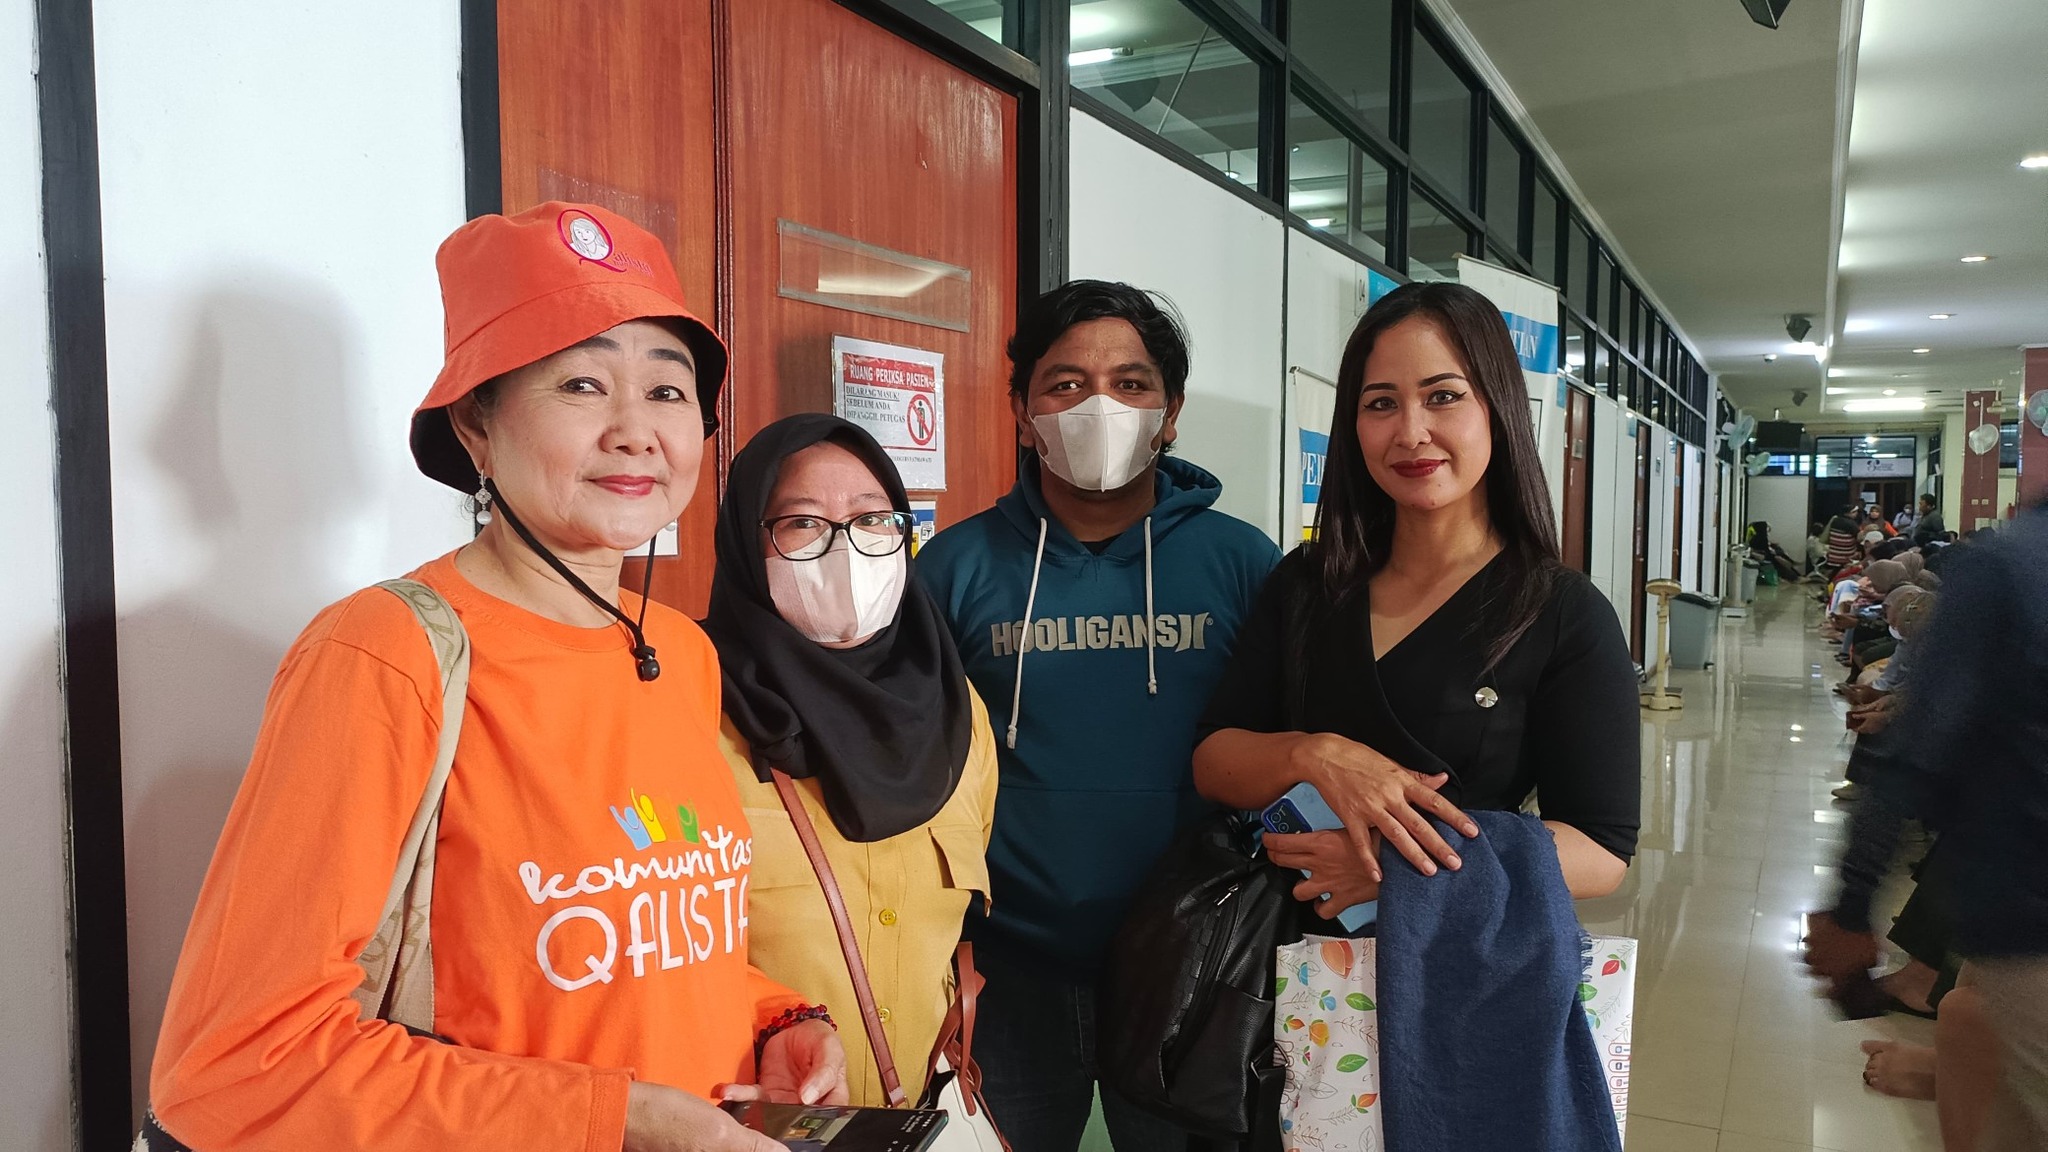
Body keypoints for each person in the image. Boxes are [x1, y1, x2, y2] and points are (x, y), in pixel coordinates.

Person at [144, 203, 844, 1151]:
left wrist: (773, 1018)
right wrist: (618, 1120)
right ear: (477, 425)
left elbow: (636, 949)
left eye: (667, 390)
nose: (637, 431)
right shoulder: (383, 655)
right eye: (582, 384)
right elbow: (236, 1064)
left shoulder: (681, 651)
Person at [917, 279, 1281, 1152]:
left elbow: (1284, 750)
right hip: (1007, 967)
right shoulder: (956, 567)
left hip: (1193, 962)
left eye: (1131, 383)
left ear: (1171, 413)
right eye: (1066, 384)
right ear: (1022, 412)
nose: (1099, 406)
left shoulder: (1242, 564)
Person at [1193, 281, 1641, 938]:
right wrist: (1315, 755)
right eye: (1381, 403)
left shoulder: (1562, 612)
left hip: (1454, 960)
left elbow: (1602, 851)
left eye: (1443, 396)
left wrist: (1400, 869)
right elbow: (1214, 761)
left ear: (1497, 407)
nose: (1410, 432)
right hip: (1279, 960)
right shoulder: (1309, 581)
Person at [702, 414, 999, 1107]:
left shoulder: (959, 712)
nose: (846, 550)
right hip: (750, 1119)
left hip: (919, 1111)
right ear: (748, 542)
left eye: (871, 520)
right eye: (803, 523)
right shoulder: (689, 704)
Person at [1807, 506, 2048, 1151]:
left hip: (2026, 922)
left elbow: (1915, 751)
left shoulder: (2009, 566)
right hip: (2010, 926)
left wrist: (1852, 909)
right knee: (1970, 1020)